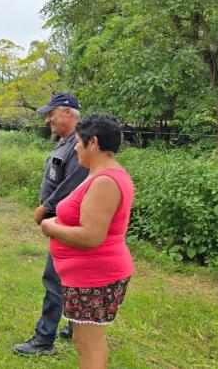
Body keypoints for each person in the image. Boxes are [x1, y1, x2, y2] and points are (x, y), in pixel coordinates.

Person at [40, 112, 134, 368]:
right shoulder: (102, 175)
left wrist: (51, 227)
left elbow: (91, 236)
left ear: (93, 142)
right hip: (90, 276)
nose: (76, 148)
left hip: (95, 278)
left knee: (88, 344)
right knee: (87, 340)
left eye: (79, 143)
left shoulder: (105, 181)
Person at [14, 92, 89, 356]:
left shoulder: (80, 145)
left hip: (68, 224)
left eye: (51, 113)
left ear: (68, 113)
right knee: (72, 278)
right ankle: (75, 327)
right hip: (65, 223)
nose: (48, 119)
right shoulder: (66, 142)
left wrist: (45, 208)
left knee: (54, 280)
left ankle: (44, 339)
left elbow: (73, 187)